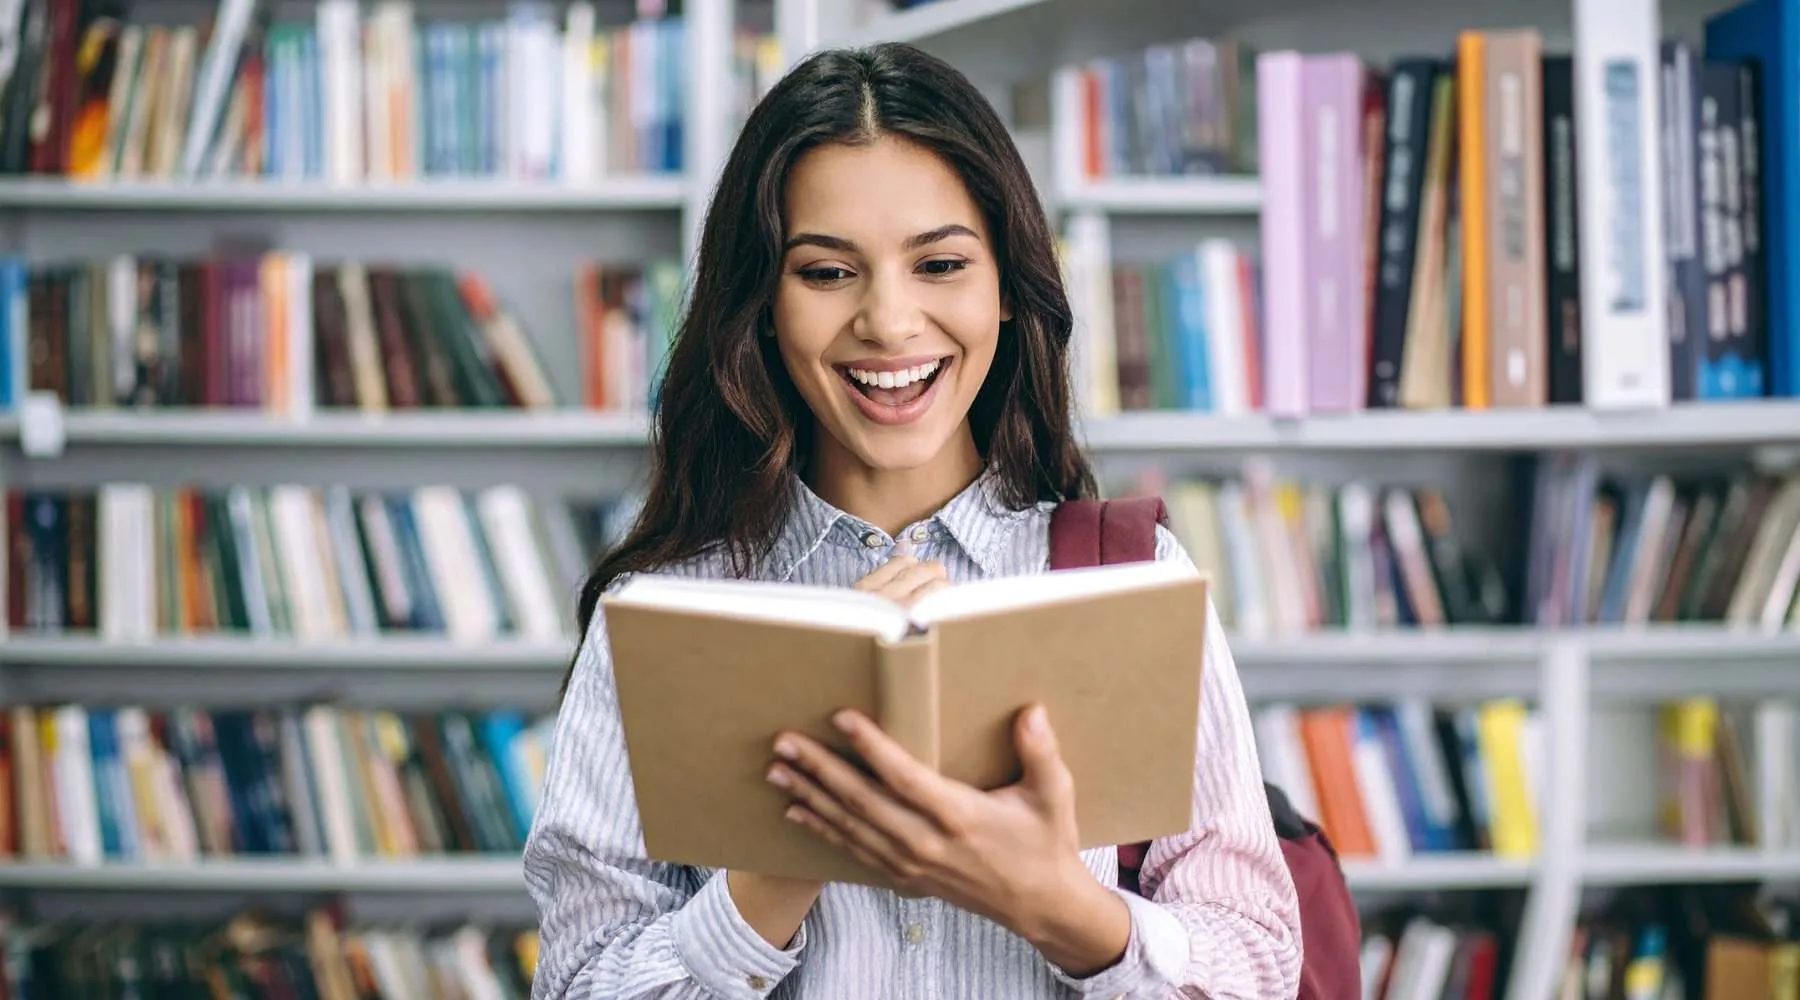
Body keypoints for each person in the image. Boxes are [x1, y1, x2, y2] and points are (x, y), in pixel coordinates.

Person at [523, 41, 1303, 1000]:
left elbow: (1259, 965)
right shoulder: (668, 614)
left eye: (939, 263)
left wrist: (1058, 903)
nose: (890, 323)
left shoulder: (1129, 578)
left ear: (1009, 291)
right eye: (826, 273)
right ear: (760, 306)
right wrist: (786, 855)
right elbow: (580, 986)